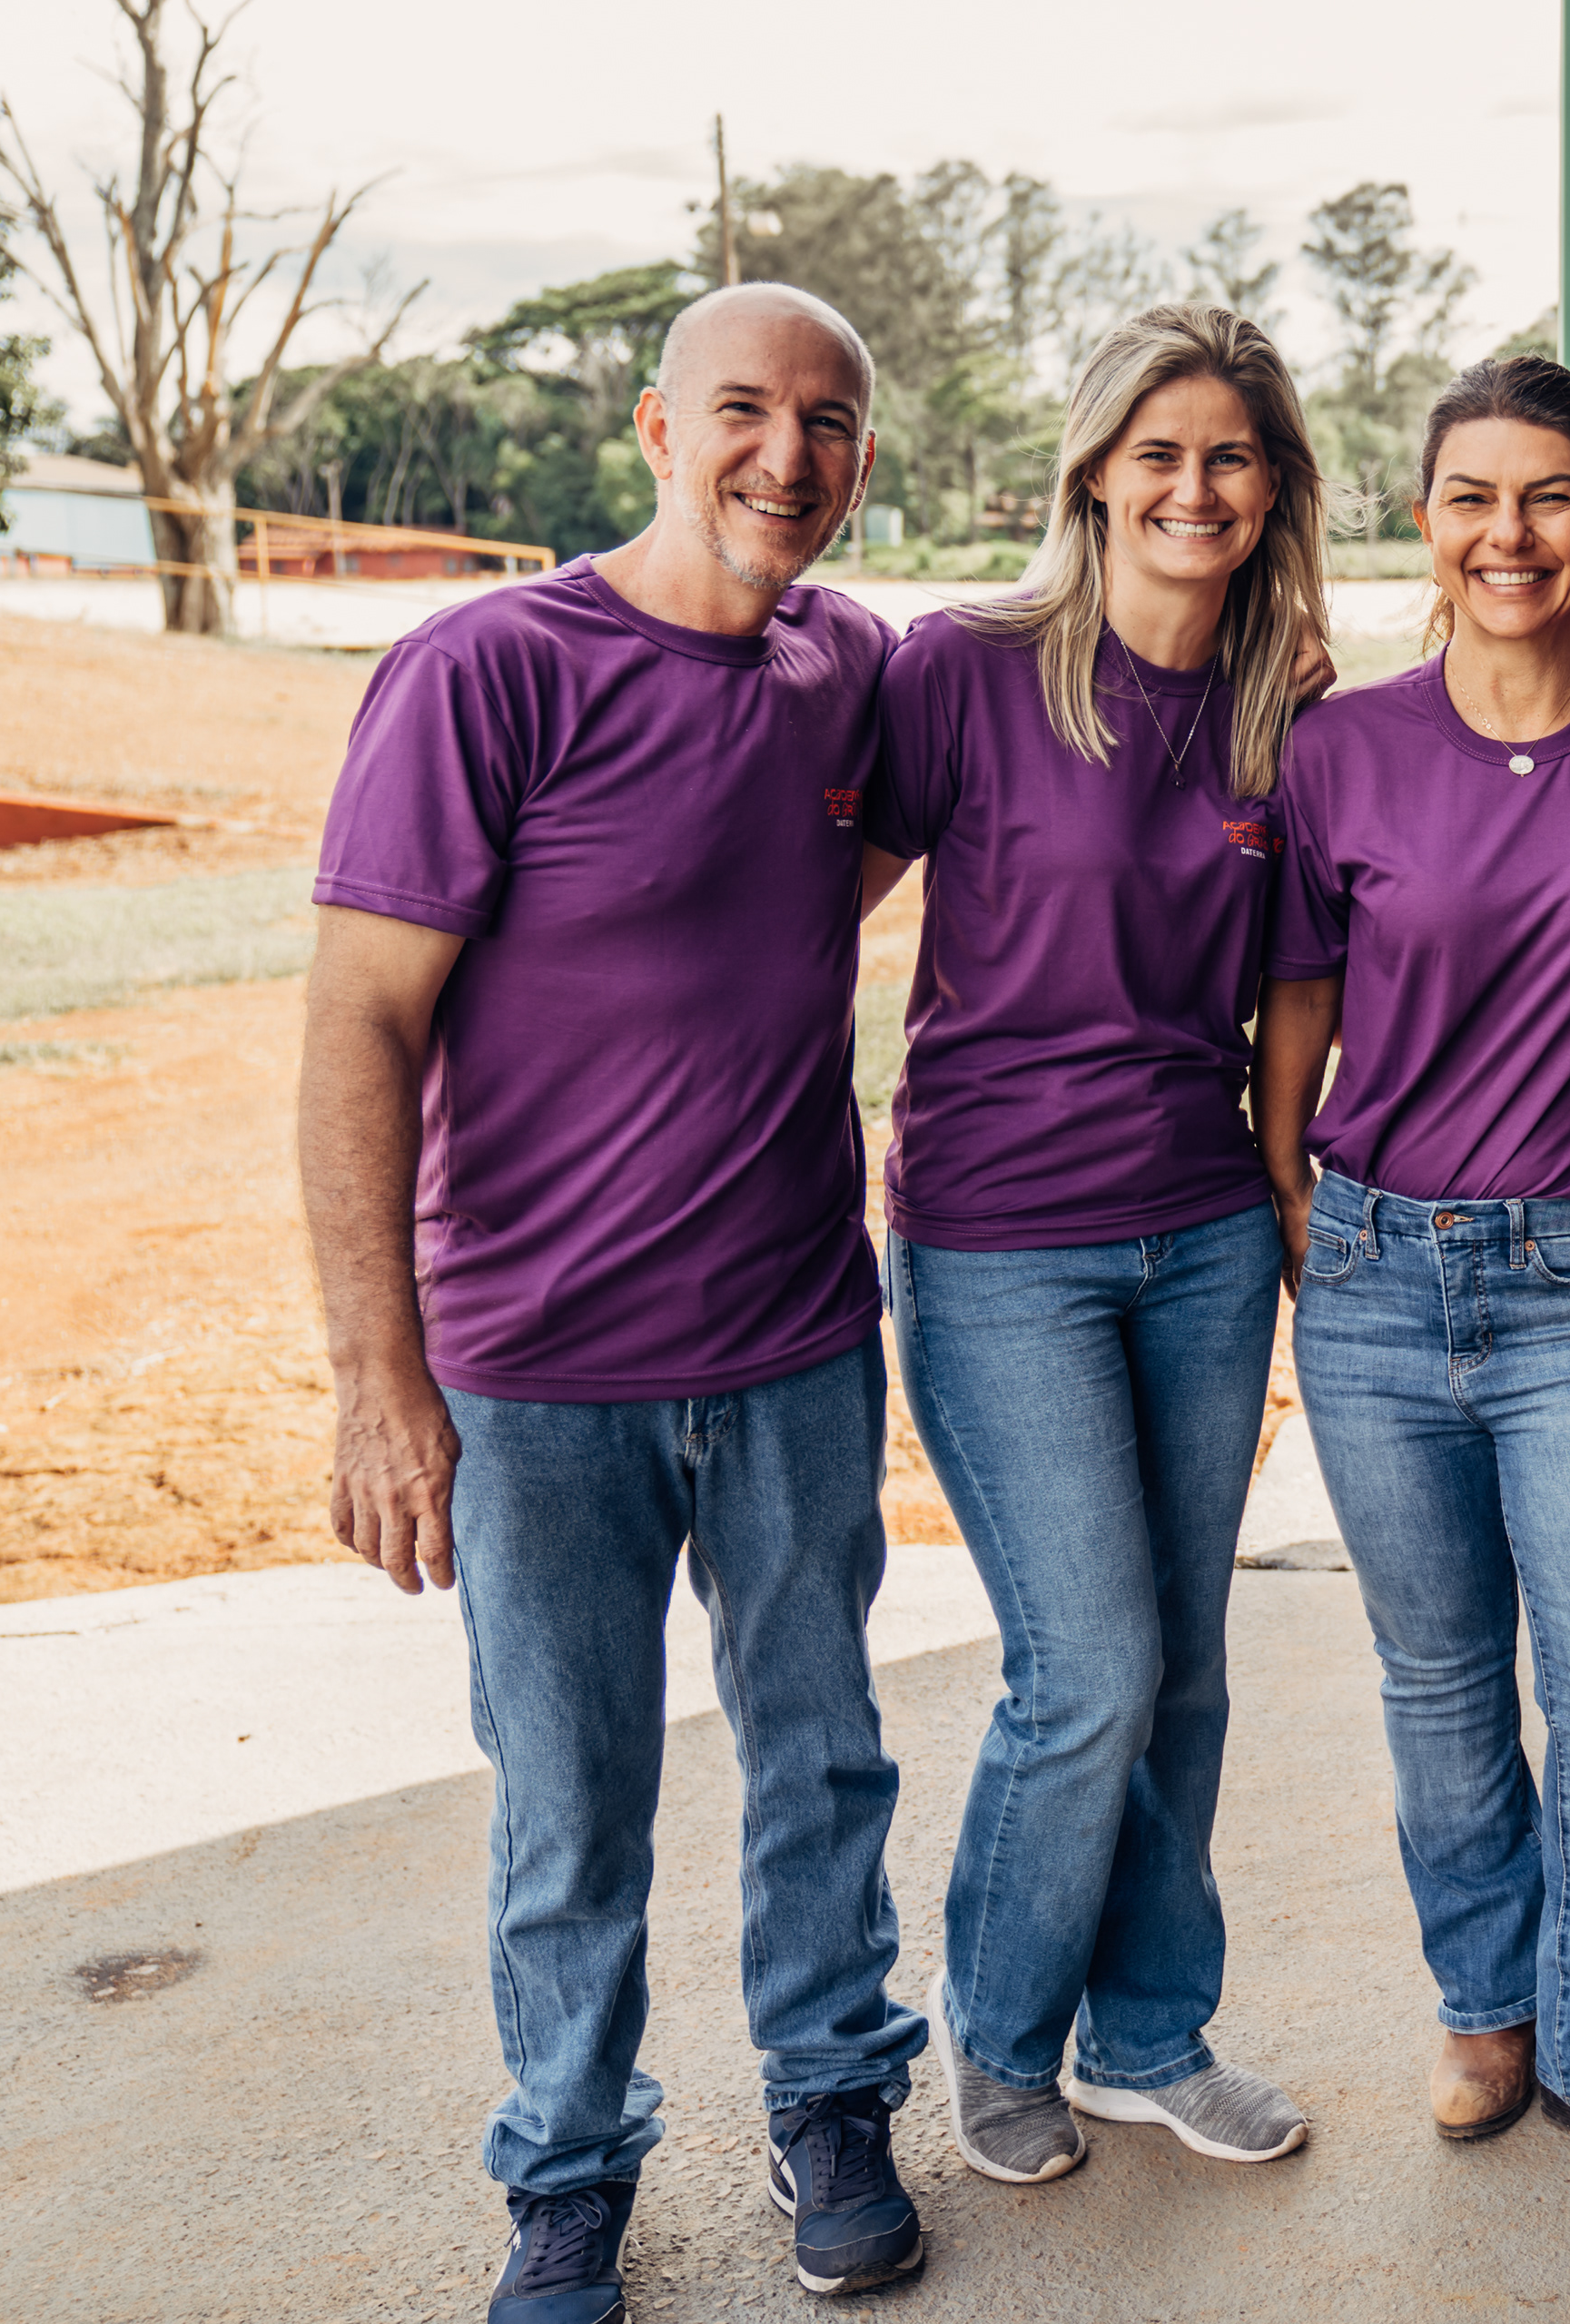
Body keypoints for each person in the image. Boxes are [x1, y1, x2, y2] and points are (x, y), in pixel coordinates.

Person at [302, 284, 928, 2319]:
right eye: (742, 409)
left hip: (797, 1341)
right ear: (657, 429)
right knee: (572, 1803)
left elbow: (826, 879)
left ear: (861, 461)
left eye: (828, 423)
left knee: (822, 1757)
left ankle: (833, 2100)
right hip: (540, 1373)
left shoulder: (852, 671)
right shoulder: (486, 671)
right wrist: (379, 1382)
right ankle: (568, 2169)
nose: (785, 455)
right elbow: (358, 1026)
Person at [1252, 355, 1570, 2205]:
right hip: (1378, 1273)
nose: (1509, 532)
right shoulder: (1341, 749)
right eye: (1472, 495)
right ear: (1427, 520)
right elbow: (1300, 987)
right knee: (1445, 1683)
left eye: (1548, 495)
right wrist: (1286, 1186)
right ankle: (1487, 2009)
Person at [855, 304, 1326, 2191]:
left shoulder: (1285, 713)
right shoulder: (962, 674)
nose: (1194, 488)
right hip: (999, 1243)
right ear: (1096, 475)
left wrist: (1285, 1192)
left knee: (1183, 1663)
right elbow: (804, 912)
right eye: (1160, 454)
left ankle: (1148, 2038)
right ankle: (998, 2037)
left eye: (1231, 457)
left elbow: (1301, 984)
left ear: (1273, 486)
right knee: (1088, 1664)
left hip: (1201, 1236)